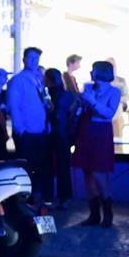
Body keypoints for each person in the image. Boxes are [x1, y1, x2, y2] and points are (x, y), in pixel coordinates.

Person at [71, 60, 122, 227]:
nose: (91, 72)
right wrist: (79, 104)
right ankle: (93, 214)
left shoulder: (114, 92)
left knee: (100, 173)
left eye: (93, 69)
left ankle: (107, 213)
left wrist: (92, 101)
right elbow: (78, 110)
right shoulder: (89, 88)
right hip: (86, 132)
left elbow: (108, 114)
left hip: (101, 133)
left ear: (101, 72)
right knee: (87, 173)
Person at [6, 47, 51, 205]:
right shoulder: (18, 80)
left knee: (38, 165)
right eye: (30, 58)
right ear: (24, 59)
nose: (34, 61)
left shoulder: (37, 79)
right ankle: (27, 199)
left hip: (39, 129)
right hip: (27, 131)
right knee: (28, 165)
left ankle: (36, 197)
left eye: (36, 58)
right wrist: (20, 130)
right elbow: (14, 106)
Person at [43, 67, 76, 208]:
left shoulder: (47, 94)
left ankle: (48, 198)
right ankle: (65, 197)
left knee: (48, 167)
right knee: (64, 168)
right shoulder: (69, 95)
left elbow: (53, 114)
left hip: (51, 134)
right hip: (65, 135)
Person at [107, 57, 129, 141]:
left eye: (113, 65)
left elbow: (126, 96)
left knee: (118, 140)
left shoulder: (121, 81)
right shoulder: (99, 81)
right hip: (103, 118)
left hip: (117, 114)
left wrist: (116, 100)